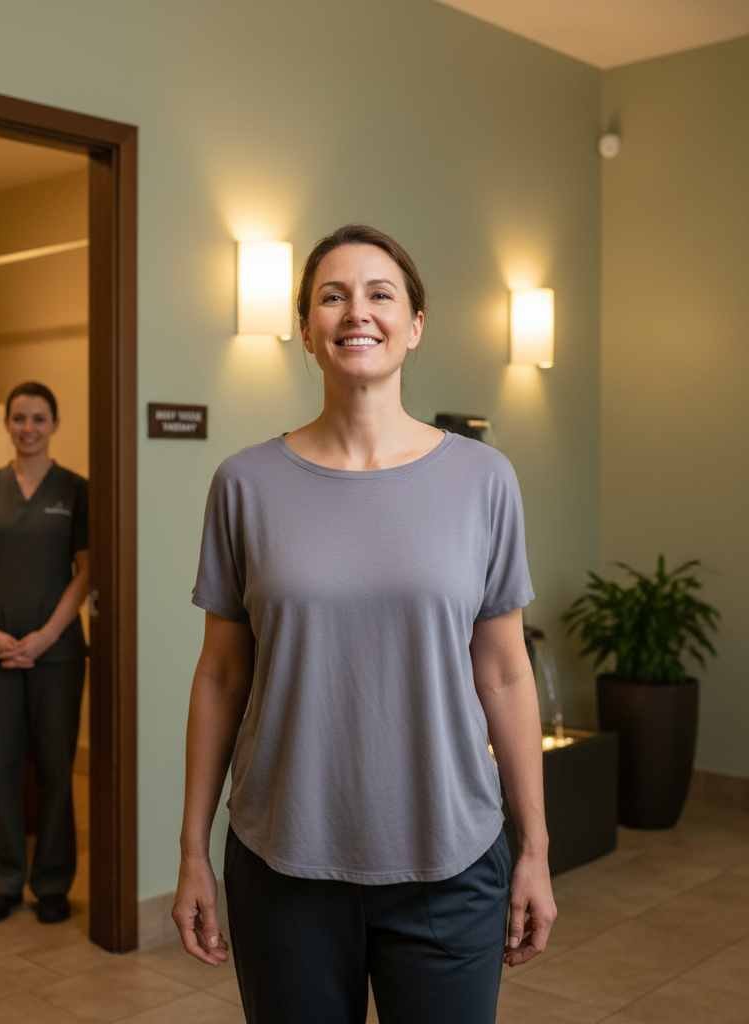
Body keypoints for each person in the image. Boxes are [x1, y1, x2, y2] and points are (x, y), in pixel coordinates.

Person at [172, 225, 556, 1024]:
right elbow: (220, 675)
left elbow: (506, 671)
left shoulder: (485, 480)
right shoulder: (244, 484)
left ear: (415, 325)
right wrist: (191, 852)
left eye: (382, 293)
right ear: (308, 330)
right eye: (333, 295)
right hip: (284, 870)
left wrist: (537, 850)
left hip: (450, 866)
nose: (358, 311)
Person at [0, 381, 90, 925]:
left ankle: (52, 881)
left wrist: (46, 637)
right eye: (19, 418)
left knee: (57, 769)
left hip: (56, 655)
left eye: (38, 418)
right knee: (1, 768)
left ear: (55, 424)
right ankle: (3, 880)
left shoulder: (76, 490)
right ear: (6, 424)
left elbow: (88, 570)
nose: (28, 428)